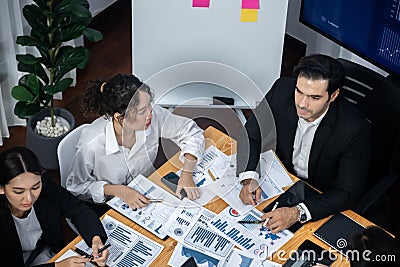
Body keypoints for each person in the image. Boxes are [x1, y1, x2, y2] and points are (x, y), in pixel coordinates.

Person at [238, 54, 371, 233]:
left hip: (320, 194)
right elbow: (251, 136)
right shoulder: (281, 90)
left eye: (314, 98)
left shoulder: (355, 129)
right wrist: (249, 178)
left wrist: (296, 213)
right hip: (284, 179)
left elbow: (347, 192)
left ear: (333, 95)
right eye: (299, 91)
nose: (302, 104)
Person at [66, 73, 205, 216]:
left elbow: (190, 131)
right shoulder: (92, 145)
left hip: (146, 193)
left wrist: (187, 173)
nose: (150, 114)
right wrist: (118, 190)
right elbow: (76, 187)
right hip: (107, 207)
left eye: (150, 105)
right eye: (142, 111)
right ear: (120, 118)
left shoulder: (152, 116)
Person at [0, 146, 109, 267]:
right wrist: (57, 266)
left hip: (45, 252)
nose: (29, 198)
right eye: (19, 192)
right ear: (1, 188)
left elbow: (77, 209)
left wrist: (96, 238)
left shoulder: (46, 185)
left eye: (35, 187)